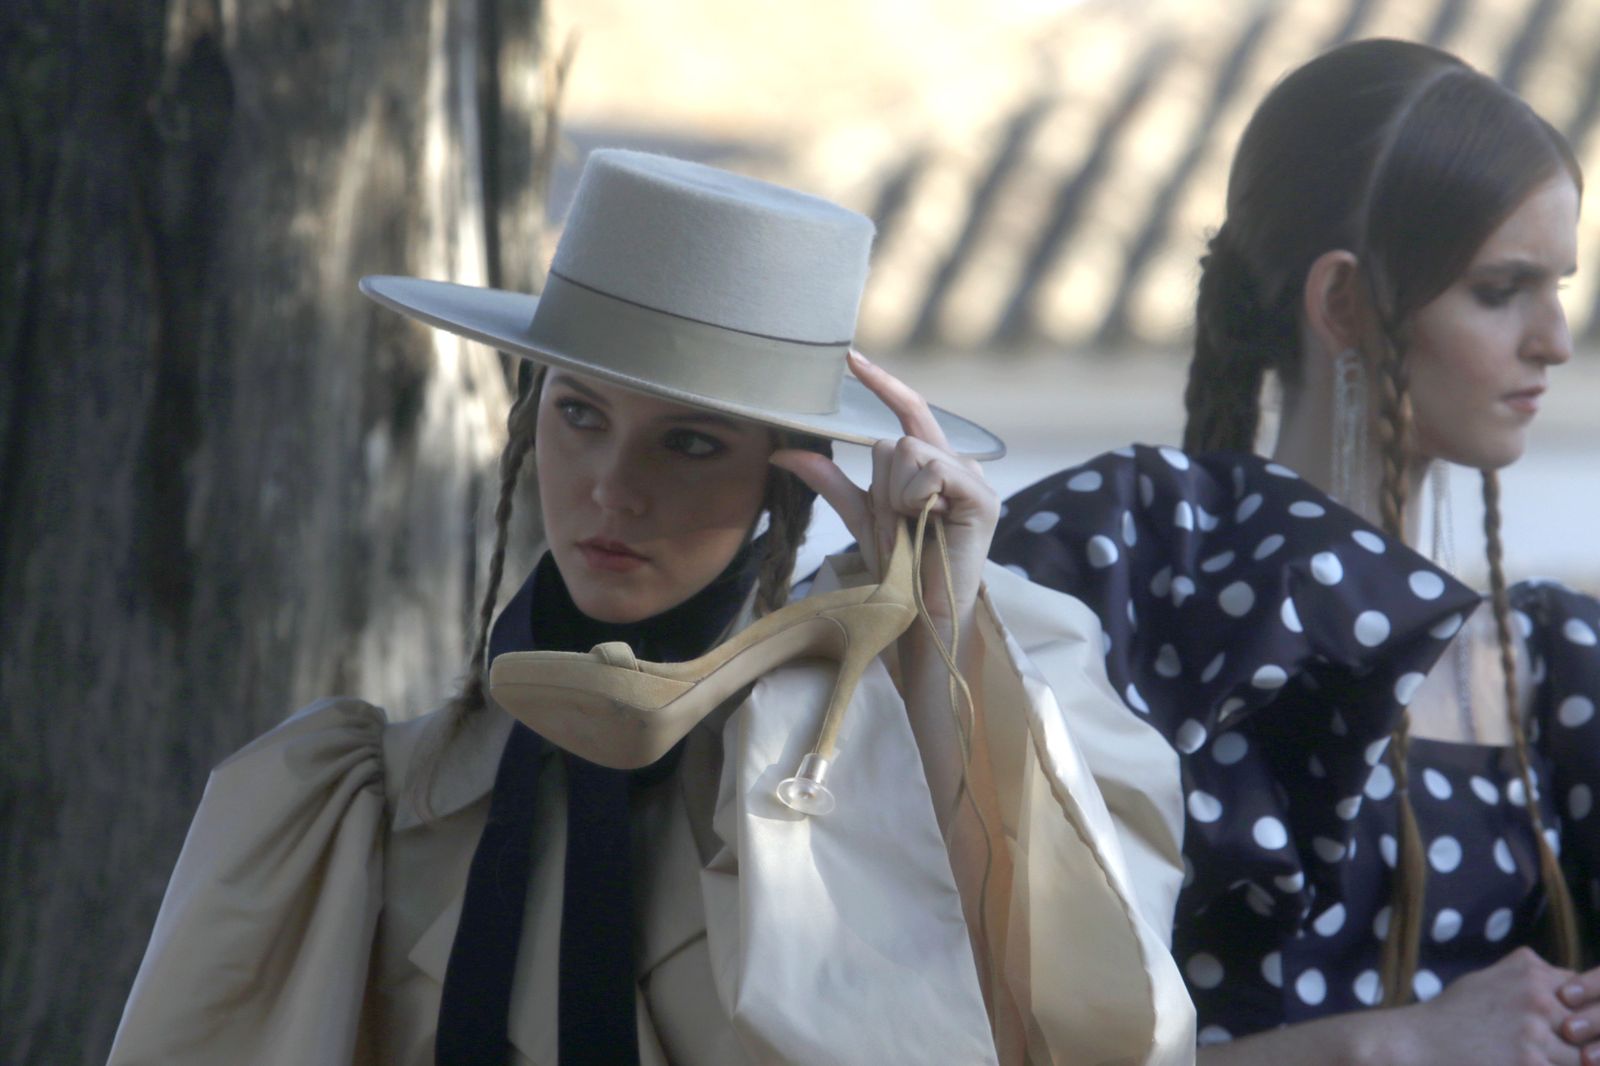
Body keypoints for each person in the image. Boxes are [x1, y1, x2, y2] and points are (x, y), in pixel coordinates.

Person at [109, 149, 1193, 1065]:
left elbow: (1053, 1013)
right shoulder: (360, 813)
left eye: (689, 441)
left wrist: (938, 625)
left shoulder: (863, 744)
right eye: (579, 413)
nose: (612, 487)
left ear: (789, 472)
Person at [990, 38, 1600, 1065]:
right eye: (1500, 290)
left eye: (1558, 285)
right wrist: (1393, 1043)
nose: (1554, 337)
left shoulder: (1550, 663)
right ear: (1342, 304)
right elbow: (994, 1031)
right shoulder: (1136, 588)